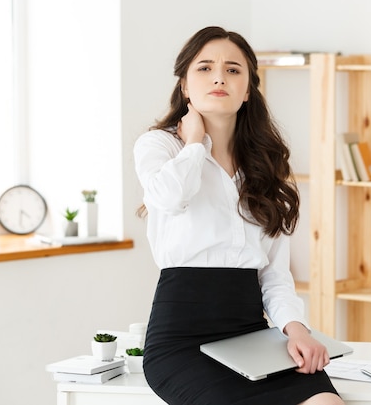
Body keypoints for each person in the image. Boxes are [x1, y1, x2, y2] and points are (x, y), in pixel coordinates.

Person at [134, 26, 344, 405]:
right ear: (185, 85)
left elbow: (275, 275)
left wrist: (296, 330)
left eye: (233, 70)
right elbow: (168, 199)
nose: (219, 77)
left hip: (252, 337)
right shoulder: (160, 146)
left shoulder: (264, 167)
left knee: (327, 402)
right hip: (182, 341)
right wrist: (195, 143)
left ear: (247, 90)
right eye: (204, 68)